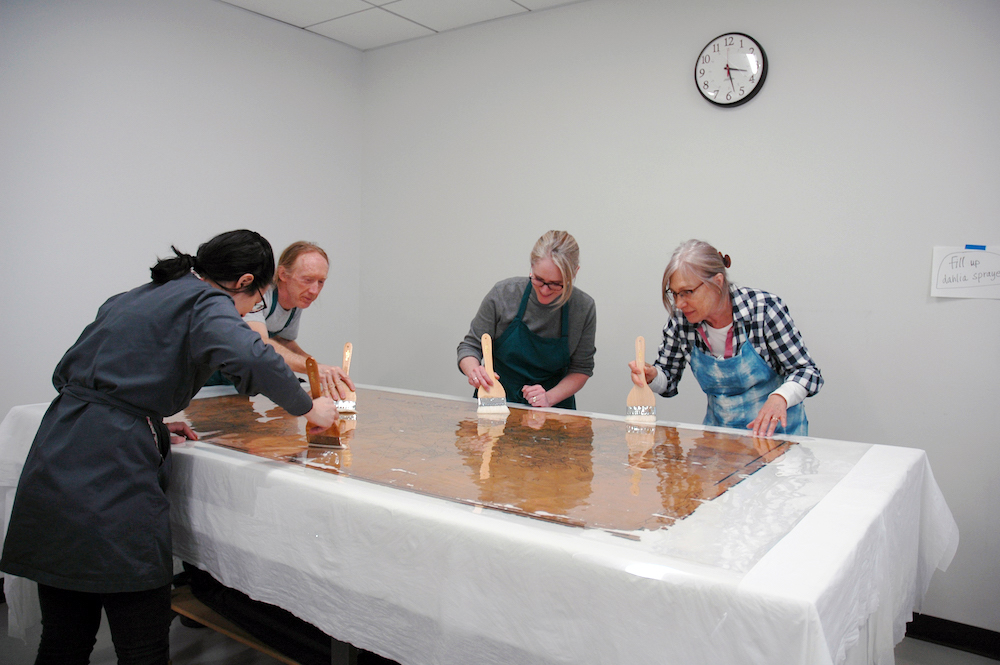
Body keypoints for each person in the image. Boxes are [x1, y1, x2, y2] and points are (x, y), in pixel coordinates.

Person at [0, 230, 338, 665]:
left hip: (58, 449)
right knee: (142, 642)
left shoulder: (140, 294)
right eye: (253, 303)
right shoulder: (208, 302)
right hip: (109, 472)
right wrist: (309, 408)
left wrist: (146, 417)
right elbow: (253, 357)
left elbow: (93, 370)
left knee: (64, 640)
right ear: (244, 281)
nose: (247, 313)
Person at [630, 239, 823, 437]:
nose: (679, 304)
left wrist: (780, 397)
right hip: (721, 444)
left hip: (779, 440)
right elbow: (667, 381)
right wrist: (652, 376)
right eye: (675, 294)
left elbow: (808, 373)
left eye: (687, 292)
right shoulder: (681, 323)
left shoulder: (764, 311)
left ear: (718, 282)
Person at [458, 230, 597, 409]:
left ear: (574, 273)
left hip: (551, 409)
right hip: (495, 400)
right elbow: (470, 346)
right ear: (531, 267)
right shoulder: (503, 294)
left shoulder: (583, 308)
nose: (545, 290)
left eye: (556, 284)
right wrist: (474, 371)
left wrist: (548, 398)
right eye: (538, 279)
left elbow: (581, 368)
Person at [243, 241, 354, 399]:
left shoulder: (297, 300)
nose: (314, 291)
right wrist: (313, 368)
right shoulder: (260, 295)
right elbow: (258, 342)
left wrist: (323, 369)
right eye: (307, 280)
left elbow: (283, 341)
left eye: (321, 282)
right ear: (283, 274)